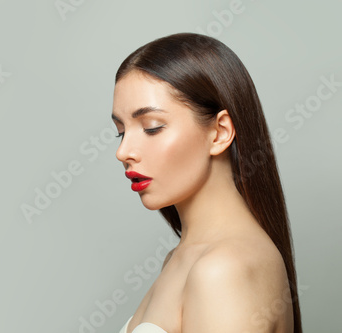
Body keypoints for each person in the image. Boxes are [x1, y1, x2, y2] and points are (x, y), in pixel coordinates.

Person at [112, 32, 302, 333]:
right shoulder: (182, 258)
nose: (123, 152)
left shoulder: (223, 269)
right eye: (121, 131)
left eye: (151, 127)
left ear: (220, 132)